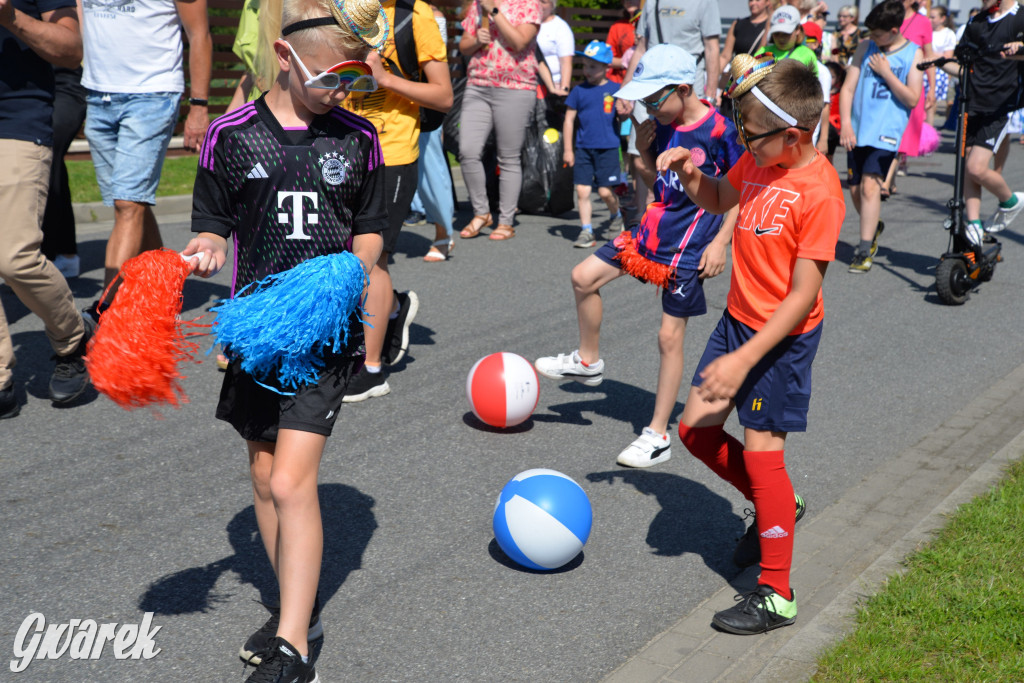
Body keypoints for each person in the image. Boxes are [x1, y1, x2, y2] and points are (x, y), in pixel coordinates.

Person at [183, 0, 388, 678]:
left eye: (352, 79)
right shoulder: (231, 135)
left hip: (324, 333)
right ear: (283, 57)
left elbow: (370, 231)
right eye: (329, 78)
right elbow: (213, 225)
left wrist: (348, 273)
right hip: (258, 330)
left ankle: (294, 647)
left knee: (294, 480)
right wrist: (207, 251)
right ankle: (293, 607)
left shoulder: (358, 137)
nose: (340, 92)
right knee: (265, 476)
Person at [658, 55, 844, 634]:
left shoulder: (820, 192)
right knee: (695, 431)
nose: (744, 142)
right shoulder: (761, 160)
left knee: (764, 456)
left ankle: (777, 594)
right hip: (738, 323)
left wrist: (744, 360)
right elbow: (719, 198)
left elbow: (802, 296)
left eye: (753, 135)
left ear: (793, 135)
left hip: (780, 341)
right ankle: (778, 504)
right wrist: (691, 173)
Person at [535, 45, 742, 469]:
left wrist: (722, 242)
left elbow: (741, 192)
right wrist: (645, 151)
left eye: (652, 98)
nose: (646, 107)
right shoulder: (659, 124)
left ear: (683, 89)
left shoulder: (721, 131)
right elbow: (658, 179)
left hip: (688, 246)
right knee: (583, 277)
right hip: (649, 233)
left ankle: (658, 434)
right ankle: (588, 360)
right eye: (642, 99)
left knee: (669, 338)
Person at [340, 0, 453, 401]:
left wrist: (386, 79)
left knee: (373, 258)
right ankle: (390, 308)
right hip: (343, 147)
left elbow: (443, 96)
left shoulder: (414, 15)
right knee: (342, 254)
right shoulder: (344, 7)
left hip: (392, 155)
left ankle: (371, 371)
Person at [78, 0, 212, 322]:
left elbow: (199, 33)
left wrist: (198, 105)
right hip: (98, 94)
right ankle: (166, 285)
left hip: (152, 93)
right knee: (132, 203)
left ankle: (106, 311)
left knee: (127, 204)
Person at [0, 0, 93, 420]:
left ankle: (73, 338)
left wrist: (9, 16)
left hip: (16, 121)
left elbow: (71, 49)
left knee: (14, 257)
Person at [839, 0, 922, 274]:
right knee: (855, 190)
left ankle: (863, 251)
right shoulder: (865, 47)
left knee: (870, 188)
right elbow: (848, 89)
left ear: (894, 30)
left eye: (877, 33)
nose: (872, 38)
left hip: (886, 132)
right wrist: (846, 124)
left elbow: (912, 99)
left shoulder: (913, 53)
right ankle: (872, 226)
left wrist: (887, 73)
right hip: (858, 130)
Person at [457, 0, 542, 242]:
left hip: (515, 86)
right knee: (467, 151)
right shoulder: (477, 4)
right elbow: (464, 46)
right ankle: (481, 212)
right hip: (478, 84)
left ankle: (506, 221)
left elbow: (519, 42)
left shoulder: (529, 4)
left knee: (508, 157)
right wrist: (476, 40)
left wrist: (494, 11)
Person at [942, 0, 1024, 238]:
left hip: (1000, 105)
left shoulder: (1020, 17)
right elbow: (962, 61)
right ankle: (974, 223)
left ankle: (1010, 201)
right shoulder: (977, 21)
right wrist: (939, 63)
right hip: (972, 102)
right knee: (968, 166)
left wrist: (1020, 48)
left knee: (976, 168)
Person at [563, 41, 624, 249]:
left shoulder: (615, 89)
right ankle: (587, 231)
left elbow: (624, 118)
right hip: (583, 149)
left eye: (593, 66)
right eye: (585, 65)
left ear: (606, 67)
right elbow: (569, 120)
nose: (587, 70)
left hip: (608, 148)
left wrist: (625, 113)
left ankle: (616, 215)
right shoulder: (578, 91)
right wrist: (568, 150)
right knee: (582, 191)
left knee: (606, 192)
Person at [40, 66, 87, 279]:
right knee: (53, 165)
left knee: (45, 156)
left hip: (64, 85)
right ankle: (66, 253)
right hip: (26, 89)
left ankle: (44, 257)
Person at [720, 0, 771, 107]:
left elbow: (762, 51)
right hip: (736, 80)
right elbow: (725, 56)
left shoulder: (770, 25)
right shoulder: (738, 24)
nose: (753, 3)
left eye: (758, 0)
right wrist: (714, 83)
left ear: (767, 2)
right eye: (750, 0)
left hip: (755, 81)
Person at [926, 3, 956, 127]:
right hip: (924, 69)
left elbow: (947, 56)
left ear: (942, 18)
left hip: (939, 71)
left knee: (930, 102)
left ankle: (928, 129)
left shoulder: (948, 34)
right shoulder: (927, 31)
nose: (930, 20)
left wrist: (930, 54)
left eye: (933, 17)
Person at [536, 0, 573, 95]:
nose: (538, 4)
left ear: (552, 5)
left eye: (543, 2)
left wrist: (564, 89)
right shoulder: (526, 23)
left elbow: (566, 62)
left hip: (553, 84)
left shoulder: (560, 27)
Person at [605, 0, 638, 83]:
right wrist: (626, 61)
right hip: (618, 82)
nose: (629, 1)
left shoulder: (651, 25)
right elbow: (607, 58)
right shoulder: (617, 26)